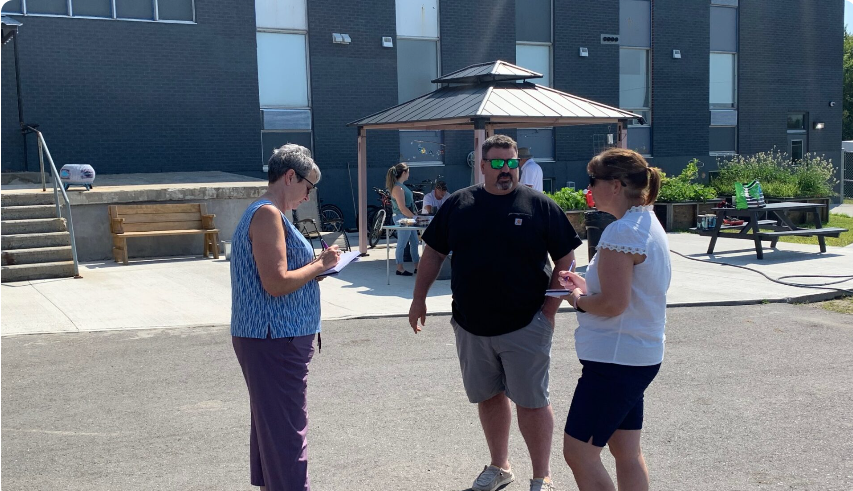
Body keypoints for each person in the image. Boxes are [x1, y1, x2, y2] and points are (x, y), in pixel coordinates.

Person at [409, 134, 582, 491]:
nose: (506, 170)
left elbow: (565, 258)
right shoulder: (459, 204)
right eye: (498, 163)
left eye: (511, 162)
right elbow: (433, 254)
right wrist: (418, 299)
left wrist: (549, 309)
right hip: (471, 324)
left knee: (532, 402)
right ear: (483, 166)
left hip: (526, 323)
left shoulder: (539, 205)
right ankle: (500, 466)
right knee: (488, 397)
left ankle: (541, 477)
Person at [557, 148, 671, 491]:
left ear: (617, 185)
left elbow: (612, 304)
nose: (588, 188)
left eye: (593, 180)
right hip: (636, 355)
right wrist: (586, 284)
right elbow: (623, 290)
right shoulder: (645, 223)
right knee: (625, 449)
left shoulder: (621, 233)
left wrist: (576, 299)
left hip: (615, 360)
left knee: (578, 453)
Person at [231, 144, 341, 491]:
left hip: (273, 337)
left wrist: (314, 269)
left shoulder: (266, 212)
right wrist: (319, 266)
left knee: (275, 430)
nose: (308, 196)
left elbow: (280, 275)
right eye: (308, 187)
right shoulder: (267, 214)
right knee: (287, 434)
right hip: (274, 338)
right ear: (290, 176)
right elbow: (276, 283)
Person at [386, 162, 420, 276]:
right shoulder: (398, 188)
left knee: (415, 242)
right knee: (402, 243)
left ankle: (417, 266)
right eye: (408, 172)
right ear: (404, 172)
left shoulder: (401, 186)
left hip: (408, 217)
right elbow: (402, 207)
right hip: (402, 218)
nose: (409, 174)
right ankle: (399, 267)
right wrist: (415, 217)